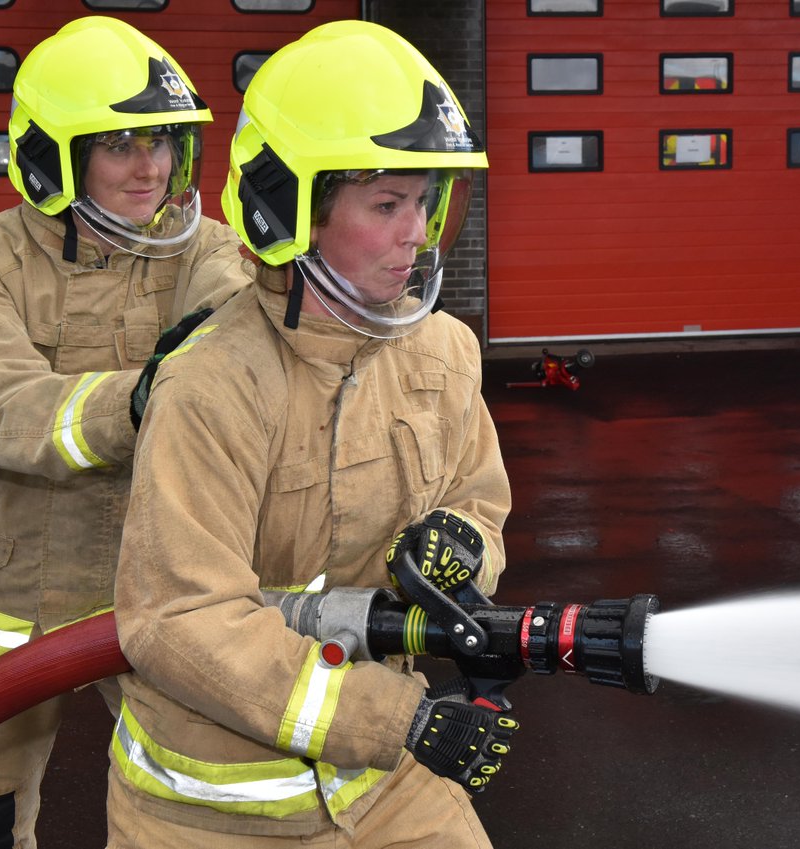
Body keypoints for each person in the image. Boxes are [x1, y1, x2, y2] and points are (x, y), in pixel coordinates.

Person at [106, 19, 516, 849]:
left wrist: (463, 548)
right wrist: (397, 716)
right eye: (388, 205)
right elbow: (180, 620)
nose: (417, 232)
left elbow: (480, 500)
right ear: (287, 207)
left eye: (426, 202)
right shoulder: (211, 383)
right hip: (213, 803)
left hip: (383, 784)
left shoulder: (444, 351)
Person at [0, 16, 250, 849]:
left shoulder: (209, 251)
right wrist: (144, 399)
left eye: (162, 141)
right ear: (50, 155)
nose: (151, 167)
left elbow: (234, 349)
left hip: (154, 588)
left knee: (198, 810)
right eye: (120, 144)